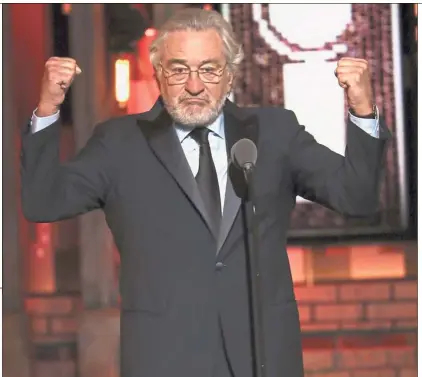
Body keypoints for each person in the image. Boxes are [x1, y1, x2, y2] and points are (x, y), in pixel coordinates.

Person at [21, 8, 390, 377]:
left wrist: (362, 110)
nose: (195, 85)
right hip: (164, 359)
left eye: (209, 69)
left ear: (229, 75)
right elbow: (44, 201)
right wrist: (48, 110)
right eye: (179, 69)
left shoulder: (276, 132)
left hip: (261, 357)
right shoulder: (118, 144)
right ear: (158, 75)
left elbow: (354, 197)